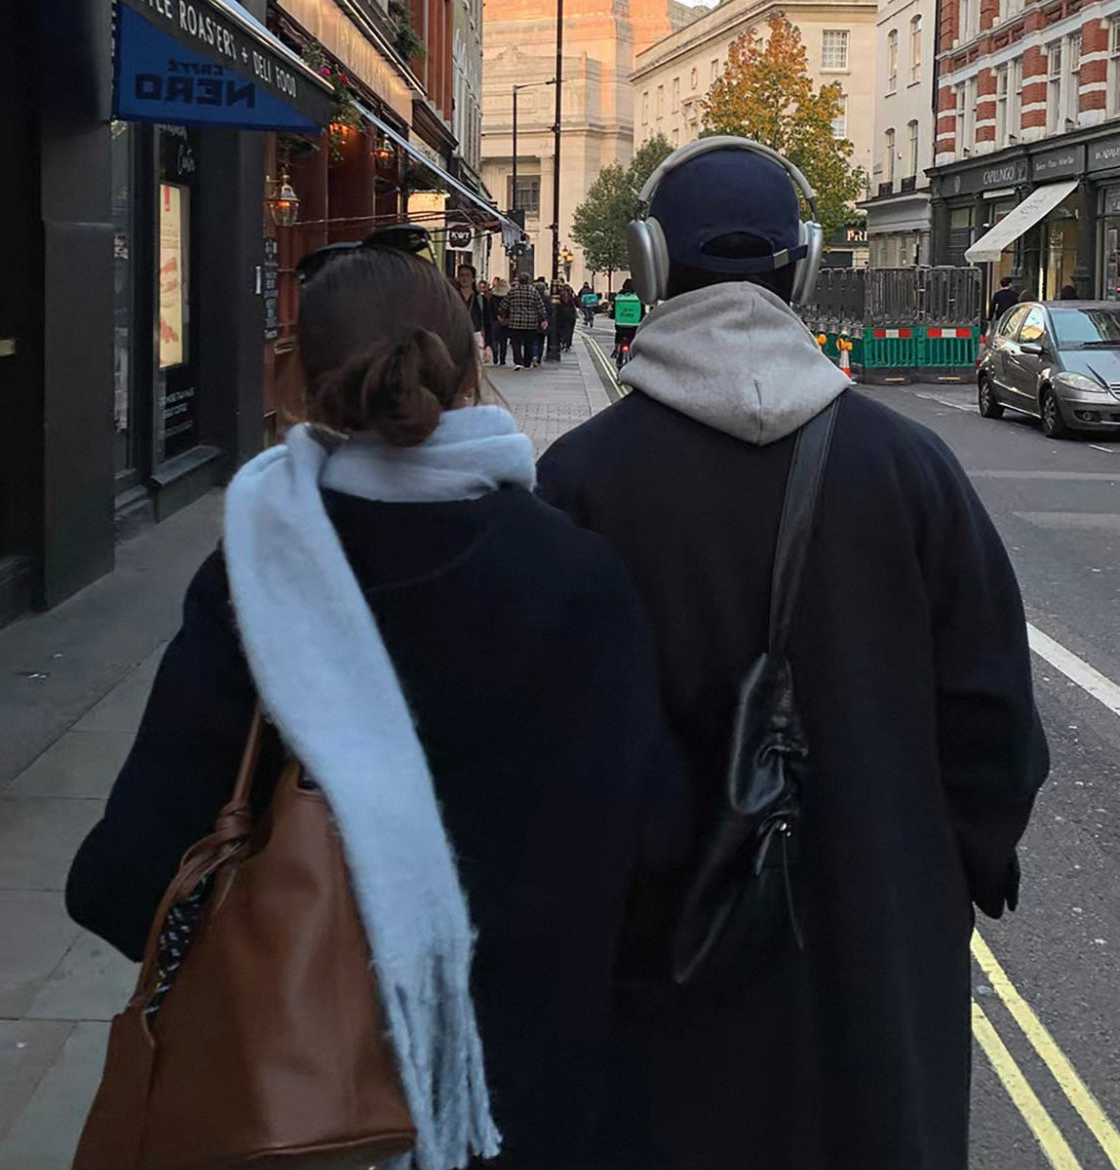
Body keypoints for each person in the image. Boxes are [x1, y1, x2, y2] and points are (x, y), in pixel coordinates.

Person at [66, 231, 686, 1170]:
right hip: (531, 1097)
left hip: (296, 1108)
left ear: (297, 384)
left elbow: (123, 884)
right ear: (469, 368)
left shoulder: (255, 576)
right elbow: (659, 848)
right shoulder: (577, 577)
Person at [539, 139, 1048, 1170]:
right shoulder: (911, 470)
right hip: (876, 964)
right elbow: (996, 729)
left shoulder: (580, 481)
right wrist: (925, 876)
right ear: (805, 268)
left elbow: (539, 760)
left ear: (647, 263)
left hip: (655, 977)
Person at [499, 272, 547, 369]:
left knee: (516, 343)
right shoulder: (533, 291)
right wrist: (543, 318)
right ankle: (527, 362)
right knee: (528, 343)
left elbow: (504, 305)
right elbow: (540, 306)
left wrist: (502, 315)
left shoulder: (513, 291)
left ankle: (518, 361)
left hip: (515, 322)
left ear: (519, 280)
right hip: (530, 322)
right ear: (528, 280)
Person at [455, 263, 489, 360]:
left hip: (476, 336)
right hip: (456, 336)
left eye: (467, 275)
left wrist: (488, 345)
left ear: (473, 279)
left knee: (475, 365)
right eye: (462, 275)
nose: (464, 278)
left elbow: (487, 322)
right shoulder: (452, 297)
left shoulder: (480, 299)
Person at [612, 279, 644, 361]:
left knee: (618, 334)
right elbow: (642, 311)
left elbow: (614, 310)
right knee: (634, 337)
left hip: (620, 324)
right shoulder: (638, 297)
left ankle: (616, 349)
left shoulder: (619, 296)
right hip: (634, 325)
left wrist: (612, 316)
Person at [532, 278, 553, 366]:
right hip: (543, 322)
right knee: (541, 341)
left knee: (533, 340)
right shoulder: (546, 299)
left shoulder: (533, 297)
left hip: (533, 321)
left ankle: (534, 355)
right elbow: (550, 310)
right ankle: (539, 358)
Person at [490, 277, 511, 366]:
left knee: (495, 339)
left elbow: (491, 308)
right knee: (503, 341)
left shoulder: (493, 296)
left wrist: (497, 316)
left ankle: (495, 356)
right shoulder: (509, 296)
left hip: (495, 320)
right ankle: (502, 359)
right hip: (506, 321)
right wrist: (507, 318)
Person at [557, 284, 579, 352]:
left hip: (562, 314)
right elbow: (578, 304)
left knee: (562, 329)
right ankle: (568, 345)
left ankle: (562, 342)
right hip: (571, 314)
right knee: (570, 330)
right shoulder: (572, 295)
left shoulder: (560, 295)